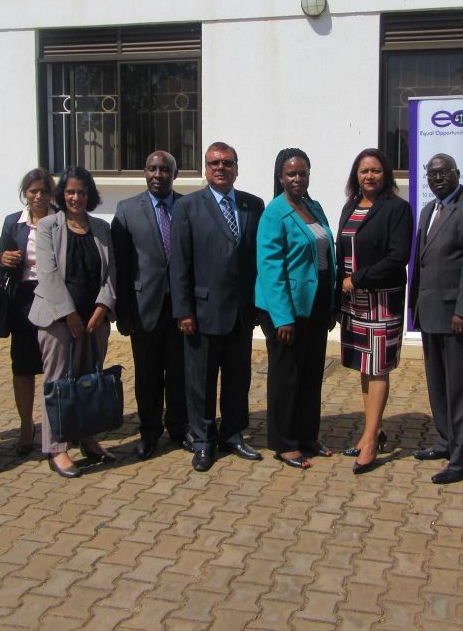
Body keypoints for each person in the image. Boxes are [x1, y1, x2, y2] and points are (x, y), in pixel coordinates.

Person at [170, 142, 265, 472]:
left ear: (237, 168)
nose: (221, 168)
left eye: (227, 163)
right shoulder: (188, 207)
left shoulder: (253, 205)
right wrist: (183, 311)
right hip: (201, 313)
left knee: (239, 378)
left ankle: (233, 433)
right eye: (214, 163)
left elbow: (257, 259)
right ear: (205, 169)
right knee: (201, 382)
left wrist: (257, 306)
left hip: (241, 312)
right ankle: (204, 440)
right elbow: (179, 263)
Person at [409, 153, 463, 484]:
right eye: (432, 174)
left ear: (458, 174)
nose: (438, 178)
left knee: (461, 389)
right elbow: (422, 263)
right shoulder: (429, 210)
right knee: (439, 386)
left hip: (458, 318)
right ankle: (447, 441)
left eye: (444, 173)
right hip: (430, 313)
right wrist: (414, 306)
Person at [28, 166, 118, 478]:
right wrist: (70, 315)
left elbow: (111, 274)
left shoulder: (101, 228)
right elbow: (48, 274)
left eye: (81, 192)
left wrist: (101, 308)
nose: (75, 197)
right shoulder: (48, 227)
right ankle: (55, 447)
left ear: (90, 194)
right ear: (61, 194)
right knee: (58, 382)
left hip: (94, 321)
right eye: (70, 192)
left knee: (87, 380)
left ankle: (87, 435)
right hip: (58, 320)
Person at [255, 148, 337, 470]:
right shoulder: (274, 213)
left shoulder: (313, 207)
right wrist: (283, 317)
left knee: (311, 374)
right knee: (286, 376)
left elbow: (325, 255)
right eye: (291, 174)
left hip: (315, 305)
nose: (297, 179)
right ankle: (285, 443)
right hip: (285, 309)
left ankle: (307, 436)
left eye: (302, 173)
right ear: (280, 177)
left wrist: (330, 304)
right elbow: (270, 267)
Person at [336, 148, 413, 474]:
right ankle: (374, 430)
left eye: (376, 171)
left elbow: (398, 257)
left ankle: (368, 441)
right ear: (356, 175)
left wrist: (358, 279)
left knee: (378, 366)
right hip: (354, 301)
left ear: (386, 175)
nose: (370, 176)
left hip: (382, 300)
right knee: (364, 367)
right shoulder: (350, 207)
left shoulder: (397, 209)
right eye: (364, 171)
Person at [112, 150, 190, 460]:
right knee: (147, 375)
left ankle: (179, 427)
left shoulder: (188, 206)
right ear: (145, 172)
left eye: (164, 169)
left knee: (180, 373)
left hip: (181, 309)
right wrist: (123, 312)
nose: (157, 174)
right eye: (152, 168)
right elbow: (121, 264)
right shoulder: (127, 209)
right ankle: (148, 432)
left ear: (175, 174)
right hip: (144, 307)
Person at [0, 168, 57, 456]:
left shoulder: (62, 220)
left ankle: (53, 425)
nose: (39, 196)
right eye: (33, 191)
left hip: (55, 299)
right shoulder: (13, 223)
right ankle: (25, 426)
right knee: (22, 366)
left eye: (44, 191)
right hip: (23, 300)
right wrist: (5, 257)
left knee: (53, 366)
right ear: (25, 193)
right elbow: (3, 257)